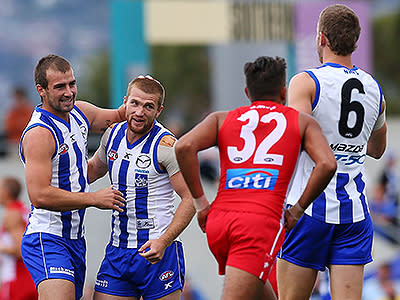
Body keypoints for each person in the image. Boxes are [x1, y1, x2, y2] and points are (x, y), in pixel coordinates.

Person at [175, 56, 337, 300]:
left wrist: (201, 203)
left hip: (219, 221)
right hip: (259, 223)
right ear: (284, 91)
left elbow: (183, 146)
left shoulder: (221, 118)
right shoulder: (301, 121)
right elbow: (327, 163)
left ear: (247, 91)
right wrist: (298, 210)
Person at [277, 4, 388, 300]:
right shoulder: (375, 89)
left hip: (309, 209)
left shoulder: (305, 81)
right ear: (355, 41)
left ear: (321, 38)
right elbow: (377, 149)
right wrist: (346, 145)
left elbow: (294, 139)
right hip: (354, 213)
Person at [19, 54, 126, 300]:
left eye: (72, 84)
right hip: (47, 237)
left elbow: (122, 116)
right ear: (41, 91)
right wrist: (94, 198)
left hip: (76, 240)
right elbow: (39, 195)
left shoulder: (81, 113)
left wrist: (139, 97)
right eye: (59, 87)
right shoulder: (40, 134)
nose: (69, 92)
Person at [87, 75, 195, 300]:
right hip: (118, 252)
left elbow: (190, 199)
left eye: (148, 106)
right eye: (134, 104)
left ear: (158, 111)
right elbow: (92, 171)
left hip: (157, 253)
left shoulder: (166, 146)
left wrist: (163, 241)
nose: (139, 112)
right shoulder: (112, 134)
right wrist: (52, 182)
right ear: (125, 102)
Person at [0, 177, 37, 300]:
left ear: (6, 192)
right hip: (32, 277)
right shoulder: (24, 209)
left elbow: (21, 250)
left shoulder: (12, 213)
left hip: (17, 280)